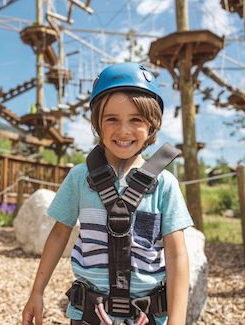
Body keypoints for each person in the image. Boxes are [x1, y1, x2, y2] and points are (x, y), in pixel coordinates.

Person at [22, 62, 193, 325]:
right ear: (97, 124)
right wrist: (37, 292)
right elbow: (58, 235)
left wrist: (177, 320)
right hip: (89, 316)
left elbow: (177, 255)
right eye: (112, 119)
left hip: (147, 317)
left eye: (136, 120)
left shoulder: (165, 185)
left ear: (152, 126)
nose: (123, 130)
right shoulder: (80, 178)